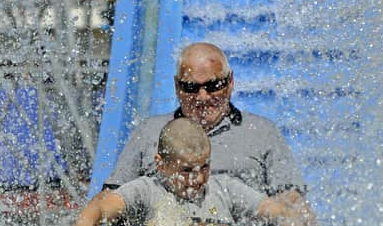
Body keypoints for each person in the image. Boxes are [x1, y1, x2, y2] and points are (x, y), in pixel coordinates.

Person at [66, 119, 317, 226]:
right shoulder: (146, 189)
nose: (197, 178)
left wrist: (290, 217)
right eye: (186, 170)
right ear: (160, 164)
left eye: (204, 167)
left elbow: (267, 208)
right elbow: (101, 205)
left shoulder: (223, 187)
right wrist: (83, 225)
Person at [105, 42, 306, 203]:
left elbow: (290, 198)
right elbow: (112, 197)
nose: (202, 97)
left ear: (230, 82)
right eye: (191, 87)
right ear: (177, 86)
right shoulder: (149, 132)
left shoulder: (262, 132)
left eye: (213, 86)